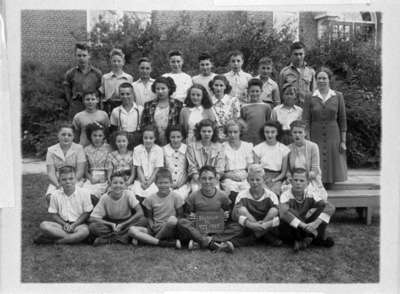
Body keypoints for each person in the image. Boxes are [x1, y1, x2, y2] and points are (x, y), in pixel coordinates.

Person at [302, 66, 348, 187]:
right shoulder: (309, 96)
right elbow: (305, 119)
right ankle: (318, 183)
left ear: (329, 79)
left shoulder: (338, 96)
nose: (321, 80)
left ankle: (330, 183)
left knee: (332, 158)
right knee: (316, 157)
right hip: (315, 132)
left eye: (324, 78)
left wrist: (343, 141)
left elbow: (342, 120)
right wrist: (306, 137)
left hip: (333, 133)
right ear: (315, 80)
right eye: (319, 78)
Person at [176, 165, 235, 253]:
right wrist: (191, 216)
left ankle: (204, 241)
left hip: (217, 227)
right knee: (181, 222)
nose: (207, 181)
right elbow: (187, 214)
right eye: (204, 178)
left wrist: (226, 215)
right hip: (200, 228)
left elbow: (228, 211)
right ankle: (212, 244)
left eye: (210, 178)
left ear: (216, 179)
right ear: (199, 180)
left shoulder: (222, 195)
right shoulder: (193, 196)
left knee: (237, 227)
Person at [279, 168, 335, 252]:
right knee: (289, 212)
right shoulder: (285, 195)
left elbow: (330, 207)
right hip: (293, 227)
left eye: (302, 181)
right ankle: (306, 238)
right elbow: (283, 214)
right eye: (296, 180)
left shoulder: (311, 194)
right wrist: (303, 225)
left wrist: (316, 223)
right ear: (291, 181)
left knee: (324, 208)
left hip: (306, 225)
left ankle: (311, 238)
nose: (298, 183)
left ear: (307, 183)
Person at [34, 166, 92, 244]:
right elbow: (53, 214)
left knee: (85, 231)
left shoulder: (84, 193)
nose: (68, 182)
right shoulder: (55, 195)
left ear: (76, 179)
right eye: (64, 179)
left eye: (71, 178)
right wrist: (64, 224)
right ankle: (75, 238)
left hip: (79, 224)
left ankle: (54, 241)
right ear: (60, 181)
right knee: (44, 225)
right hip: (62, 225)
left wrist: (74, 225)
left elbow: (87, 212)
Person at [128, 168, 184, 248]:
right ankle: (163, 243)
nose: (163, 185)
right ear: (155, 183)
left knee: (172, 219)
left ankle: (149, 240)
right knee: (131, 230)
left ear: (171, 183)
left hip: (169, 228)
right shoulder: (150, 199)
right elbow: (149, 217)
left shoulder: (176, 197)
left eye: (166, 183)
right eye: (160, 183)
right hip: (155, 228)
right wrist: (151, 224)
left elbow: (180, 216)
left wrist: (168, 224)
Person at [89, 172, 147, 245]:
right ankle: (125, 237)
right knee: (93, 227)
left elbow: (140, 212)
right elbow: (92, 218)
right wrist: (110, 224)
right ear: (110, 184)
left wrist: (123, 224)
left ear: (125, 185)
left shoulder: (128, 194)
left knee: (143, 220)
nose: (118, 185)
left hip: (126, 222)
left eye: (121, 183)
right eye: (115, 183)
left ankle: (110, 239)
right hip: (111, 224)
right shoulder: (105, 197)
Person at [230, 164, 282, 247]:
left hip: (268, 225)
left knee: (274, 210)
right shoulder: (242, 195)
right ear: (248, 180)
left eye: (258, 179)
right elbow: (234, 215)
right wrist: (252, 225)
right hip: (249, 226)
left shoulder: (271, 195)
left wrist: (265, 224)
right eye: (252, 180)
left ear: (263, 180)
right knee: (241, 210)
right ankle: (265, 236)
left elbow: (279, 216)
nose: (255, 182)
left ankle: (254, 237)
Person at [283, 120, 327, 199]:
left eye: (300, 132)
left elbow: (315, 170)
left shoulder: (313, 146)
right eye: (295, 132)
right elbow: (288, 171)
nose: (297, 135)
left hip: (310, 179)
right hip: (294, 180)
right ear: (291, 134)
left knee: (313, 196)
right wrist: (293, 179)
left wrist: (303, 179)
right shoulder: (287, 148)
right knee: (287, 194)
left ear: (305, 133)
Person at [45, 124, 86, 203]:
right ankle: (57, 213)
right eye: (63, 134)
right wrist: (58, 185)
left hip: (75, 180)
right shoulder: (51, 150)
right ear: (58, 135)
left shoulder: (79, 148)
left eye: (69, 135)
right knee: (50, 197)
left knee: (75, 196)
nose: (66, 137)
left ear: (73, 137)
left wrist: (71, 183)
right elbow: (50, 173)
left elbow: (80, 171)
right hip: (57, 181)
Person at [141, 76, 183, 146]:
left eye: (163, 88)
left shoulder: (177, 104)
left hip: (172, 141)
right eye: (158, 89)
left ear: (169, 89)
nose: (160, 91)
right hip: (153, 141)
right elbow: (144, 124)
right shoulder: (148, 105)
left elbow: (180, 125)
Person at [63, 42, 102, 118]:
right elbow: (67, 92)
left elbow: (100, 93)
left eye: (84, 55)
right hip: (76, 109)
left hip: (92, 109)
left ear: (89, 56)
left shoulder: (97, 73)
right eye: (79, 56)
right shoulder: (70, 73)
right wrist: (72, 103)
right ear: (75, 56)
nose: (82, 58)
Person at [186, 119, 225, 191]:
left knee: (215, 192)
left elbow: (220, 168)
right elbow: (192, 167)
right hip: (197, 180)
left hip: (214, 180)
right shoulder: (191, 147)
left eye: (209, 131)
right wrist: (201, 181)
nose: (206, 134)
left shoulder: (219, 147)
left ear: (213, 132)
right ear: (199, 132)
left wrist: (212, 180)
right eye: (204, 131)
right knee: (196, 191)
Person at [253, 121, 290, 196]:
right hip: (261, 177)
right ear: (263, 133)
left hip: (277, 178)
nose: (270, 135)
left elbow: (283, 173)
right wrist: (262, 180)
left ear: (277, 132)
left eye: (273, 132)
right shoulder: (258, 148)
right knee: (263, 193)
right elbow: (256, 170)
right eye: (267, 132)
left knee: (274, 193)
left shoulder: (284, 149)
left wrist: (274, 180)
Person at [82, 122, 111, 205]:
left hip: (105, 178)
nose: (97, 138)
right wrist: (90, 178)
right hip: (92, 178)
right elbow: (85, 170)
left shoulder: (108, 148)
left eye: (100, 136)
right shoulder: (86, 150)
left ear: (104, 136)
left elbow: (110, 166)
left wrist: (108, 179)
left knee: (96, 194)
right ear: (90, 136)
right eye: (94, 135)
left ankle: (96, 211)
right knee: (84, 193)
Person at [221, 120, 253, 194]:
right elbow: (219, 170)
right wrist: (228, 175)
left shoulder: (247, 146)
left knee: (247, 192)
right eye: (230, 132)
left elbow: (250, 167)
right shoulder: (222, 147)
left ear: (240, 132)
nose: (232, 135)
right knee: (231, 192)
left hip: (244, 177)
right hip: (228, 178)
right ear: (227, 132)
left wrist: (246, 175)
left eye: (235, 132)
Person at [132, 125, 164, 200]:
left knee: (154, 194)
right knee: (137, 193)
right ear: (142, 138)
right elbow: (138, 167)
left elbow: (157, 169)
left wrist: (149, 182)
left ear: (155, 138)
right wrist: (143, 181)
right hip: (140, 179)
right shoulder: (137, 149)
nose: (148, 140)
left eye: (151, 138)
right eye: (145, 138)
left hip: (154, 179)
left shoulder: (159, 150)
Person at [279, 41, 316, 106]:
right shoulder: (284, 72)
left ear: (304, 54)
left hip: (306, 108)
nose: (298, 57)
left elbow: (314, 93)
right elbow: (281, 93)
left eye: (301, 54)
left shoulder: (311, 72)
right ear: (291, 55)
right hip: (290, 108)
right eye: (295, 54)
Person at [99, 48, 133, 115]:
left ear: (123, 62)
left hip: (124, 106)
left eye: (119, 61)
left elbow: (131, 95)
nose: (116, 63)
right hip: (109, 107)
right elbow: (102, 95)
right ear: (110, 62)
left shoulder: (129, 78)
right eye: (114, 61)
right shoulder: (105, 77)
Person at [109, 82, 143, 149]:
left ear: (133, 94)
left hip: (137, 141)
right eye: (122, 94)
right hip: (122, 142)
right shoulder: (115, 111)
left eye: (128, 94)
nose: (125, 96)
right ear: (119, 95)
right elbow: (113, 130)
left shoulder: (140, 109)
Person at [240, 78, 272, 145]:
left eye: (257, 91)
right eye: (252, 91)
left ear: (261, 91)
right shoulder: (244, 107)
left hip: (262, 139)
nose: (255, 93)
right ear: (248, 92)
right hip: (247, 139)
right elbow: (242, 125)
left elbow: (269, 124)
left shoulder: (266, 107)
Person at [163, 125, 191, 200]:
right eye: (173, 137)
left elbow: (190, 169)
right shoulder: (164, 150)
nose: (175, 140)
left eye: (178, 137)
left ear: (182, 137)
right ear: (169, 137)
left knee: (179, 197)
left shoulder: (187, 149)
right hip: (167, 184)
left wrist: (183, 183)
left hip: (183, 184)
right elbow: (162, 170)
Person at [209, 75, 240, 141]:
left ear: (225, 86)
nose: (218, 88)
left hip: (230, 136)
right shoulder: (208, 102)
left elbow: (236, 119)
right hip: (212, 137)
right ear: (212, 86)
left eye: (221, 85)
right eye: (216, 85)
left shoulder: (233, 100)